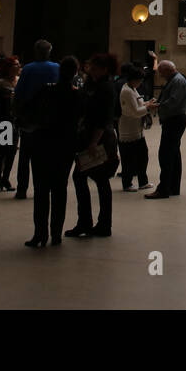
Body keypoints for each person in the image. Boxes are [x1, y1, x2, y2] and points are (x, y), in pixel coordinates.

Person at [24, 57, 84, 247]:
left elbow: (30, 112)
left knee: (41, 190)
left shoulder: (46, 91)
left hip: (42, 143)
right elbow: (81, 121)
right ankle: (56, 234)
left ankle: (39, 234)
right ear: (76, 72)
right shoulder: (77, 96)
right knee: (59, 190)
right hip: (65, 146)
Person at [67, 53, 119, 236]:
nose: (91, 69)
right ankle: (97, 223)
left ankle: (91, 223)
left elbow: (102, 119)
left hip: (98, 139)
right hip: (94, 137)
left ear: (104, 69)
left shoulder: (105, 88)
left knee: (88, 178)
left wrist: (94, 142)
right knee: (96, 180)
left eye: (95, 66)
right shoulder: (95, 85)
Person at [13, 40, 59, 200]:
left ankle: (21, 189)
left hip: (30, 120)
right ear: (49, 51)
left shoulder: (28, 69)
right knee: (48, 156)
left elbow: (18, 94)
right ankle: (45, 187)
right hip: (50, 121)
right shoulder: (56, 68)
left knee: (25, 156)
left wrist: (17, 115)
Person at [145, 57, 186, 199]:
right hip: (174, 119)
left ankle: (164, 188)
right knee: (174, 154)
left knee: (166, 155)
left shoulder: (177, 81)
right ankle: (173, 187)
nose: (160, 75)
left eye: (161, 72)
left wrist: (156, 106)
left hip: (174, 120)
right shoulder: (176, 79)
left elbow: (173, 102)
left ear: (168, 70)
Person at [118, 63, 153, 192]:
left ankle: (143, 182)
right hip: (128, 130)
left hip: (137, 130)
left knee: (143, 156)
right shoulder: (127, 91)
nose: (140, 83)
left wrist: (147, 103)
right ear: (133, 79)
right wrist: (148, 107)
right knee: (128, 159)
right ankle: (127, 183)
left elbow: (138, 103)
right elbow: (134, 112)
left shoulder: (132, 88)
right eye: (139, 80)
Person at [0, 59, 18, 192]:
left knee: (11, 151)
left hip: (15, 119)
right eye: (15, 65)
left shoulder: (19, 80)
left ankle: (5, 178)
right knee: (1, 151)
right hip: (4, 120)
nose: (18, 67)